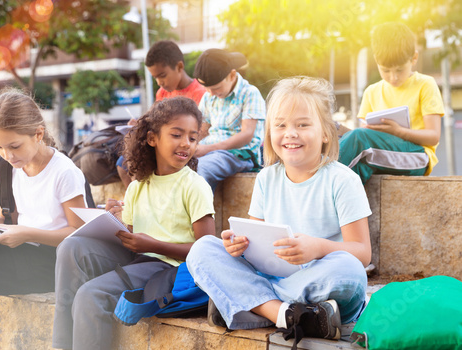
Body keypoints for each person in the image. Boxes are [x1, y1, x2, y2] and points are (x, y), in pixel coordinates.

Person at [186, 77, 372, 346]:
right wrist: (238, 245)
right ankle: (289, 314)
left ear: (325, 133)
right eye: (281, 125)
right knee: (202, 249)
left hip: (321, 279)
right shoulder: (266, 178)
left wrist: (317, 247)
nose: (291, 133)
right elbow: (254, 243)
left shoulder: (342, 180)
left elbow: (362, 254)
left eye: (303, 124)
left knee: (350, 271)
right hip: (273, 277)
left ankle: (255, 307)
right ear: (269, 133)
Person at [52, 97, 216, 350]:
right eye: (176, 134)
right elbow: (131, 236)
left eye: (193, 138)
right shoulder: (138, 185)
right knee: (70, 246)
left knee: (90, 295)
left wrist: (155, 245)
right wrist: (112, 220)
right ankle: (61, 345)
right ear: (152, 139)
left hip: (168, 267)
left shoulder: (194, 186)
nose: (186, 143)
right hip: (139, 257)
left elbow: (206, 250)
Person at [0, 89, 87, 350]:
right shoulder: (9, 167)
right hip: (19, 252)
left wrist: (27, 234)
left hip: (52, 262)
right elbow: (15, 218)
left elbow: (79, 233)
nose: (7, 155)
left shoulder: (64, 172)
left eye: (14, 146)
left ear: (38, 134)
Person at [339, 22, 444, 184]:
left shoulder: (425, 84)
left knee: (358, 138)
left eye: (400, 70)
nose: (393, 77)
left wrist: (398, 131)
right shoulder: (371, 91)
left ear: (414, 58)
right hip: (380, 156)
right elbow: (365, 131)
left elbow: (433, 137)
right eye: (386, 70)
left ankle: (319, 185)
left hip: (418, 157)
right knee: (355, 168)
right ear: (376, 61)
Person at [116, 40, 206, 188]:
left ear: (179, 67)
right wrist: (139, 125)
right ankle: (135, 199)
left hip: (181, 150)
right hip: (160, 147)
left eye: (162, 75)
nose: (159, 82)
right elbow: (154, 122)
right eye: (155, 77)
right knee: (123, 163)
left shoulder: (199, 93)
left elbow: (198, 132)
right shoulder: (162, 93)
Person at [193, 48, 266, 192]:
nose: (211, 93)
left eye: (216, 88)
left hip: (239, 154)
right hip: (209, 152)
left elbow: (246, 135)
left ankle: (201, 214)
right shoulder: (209, 96)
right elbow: (202, 129)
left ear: (232, 75)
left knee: (200, 169)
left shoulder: (250, 93)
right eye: (207, 89)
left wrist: (208, 149)